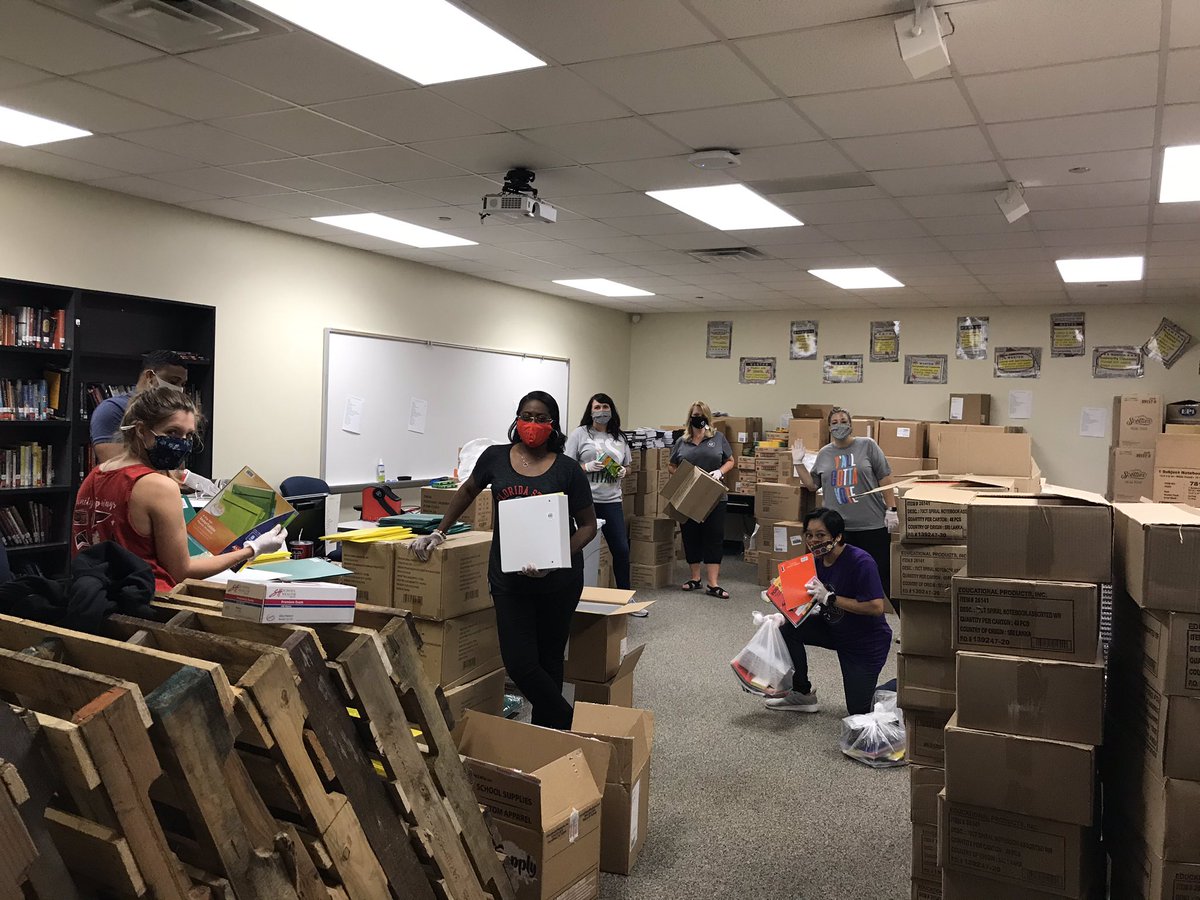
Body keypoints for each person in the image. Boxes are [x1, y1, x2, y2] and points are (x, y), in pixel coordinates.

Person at [409, 391, 597, 730]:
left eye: (541, 418)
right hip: (510, 580)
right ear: (516, 419)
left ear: (552, 425)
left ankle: (548, 736)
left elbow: (587, 526)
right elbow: (468, 490)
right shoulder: (495, 457)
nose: (533, 424)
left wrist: (556, 558)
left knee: (550, 659)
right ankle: (572, 723)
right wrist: (439, 531)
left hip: (558, 580)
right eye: (527, 415)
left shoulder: (569, 470)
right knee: (520, 664)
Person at [72, 385, 286, 592]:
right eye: (172, 432)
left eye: (188, 435)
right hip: (150, 602)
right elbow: (182, 571)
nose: (182, 443)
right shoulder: (158, 486)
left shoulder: (97, 473)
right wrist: (253, 549)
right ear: (141, 430)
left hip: (99, 598)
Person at [765, 508, 892, 715]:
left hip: (865, 642)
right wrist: (781, 607)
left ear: (838, 536)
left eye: (821, 535)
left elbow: (876, 607)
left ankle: (903, 686)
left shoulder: (861, 561)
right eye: (809, 535)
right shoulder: (815, 560)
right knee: (787, 629)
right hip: (834, 629)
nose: (814, 540)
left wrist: (830, 598)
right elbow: (802, 599)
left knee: (859, 712)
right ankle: (802, 693)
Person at [790, 407, 898, 605]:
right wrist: (798, 463)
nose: (839, 425)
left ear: (850, 424)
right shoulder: (824, 453)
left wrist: (892, 509)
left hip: (871, 525)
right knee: (841, 578)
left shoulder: (867, 446)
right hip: (838, 531)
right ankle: (843, 623)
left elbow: (885, 476)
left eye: (843, 421)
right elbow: (813, 485)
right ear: (829, 428)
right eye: (834, 422)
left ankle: (908, 631)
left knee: (885, 577)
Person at [564, 392, 632, 591]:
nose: (602, 411)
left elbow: (629, 466)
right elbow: (566, 466)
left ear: (611, 410)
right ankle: (573, 592)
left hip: (611, 500)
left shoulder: (619, 436)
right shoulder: (580, 433)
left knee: (621, 549)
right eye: (597, 407)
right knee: (580, 549)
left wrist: (623, 471)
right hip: (585, 502)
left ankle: (625, 595)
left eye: (605, 407)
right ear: (590, 411)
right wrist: (585, 468)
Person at [669, 401, 734, 599]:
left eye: (701, 415)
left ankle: (713, 583)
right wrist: (683, 474)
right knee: (691, 535)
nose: (698, 418)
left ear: (707, 417)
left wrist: (720, 472)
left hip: (715, 496)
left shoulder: (717, 437)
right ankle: (695, 578)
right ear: (690, 417)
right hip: (690, 494)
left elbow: (730, 461)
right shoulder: (682, 440)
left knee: (714, 535)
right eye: (694, 415)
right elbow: (671, 465)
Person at [90, 350, 189, 463]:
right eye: (173, 381)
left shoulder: (172, 413)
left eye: (183, 385)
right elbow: (116, 466)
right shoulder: (113, 409)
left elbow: (176, 465)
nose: (179, 389)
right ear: (150, 376)